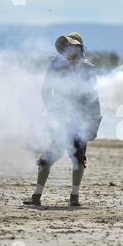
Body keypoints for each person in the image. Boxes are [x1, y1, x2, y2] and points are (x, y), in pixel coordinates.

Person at [23, 32, 102, 207]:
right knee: (49, 156)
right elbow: (46, 89)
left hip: (81, 118)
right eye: (66, 45)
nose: (68, 48)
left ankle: (74, 196)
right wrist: (51, 108)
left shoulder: (89, 69)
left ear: (79, 48)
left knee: (79, 158)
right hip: (59, 117)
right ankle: (37, 195)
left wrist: (95, 119)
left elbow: (94, 97)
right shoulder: (55, 65)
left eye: (71, 45)